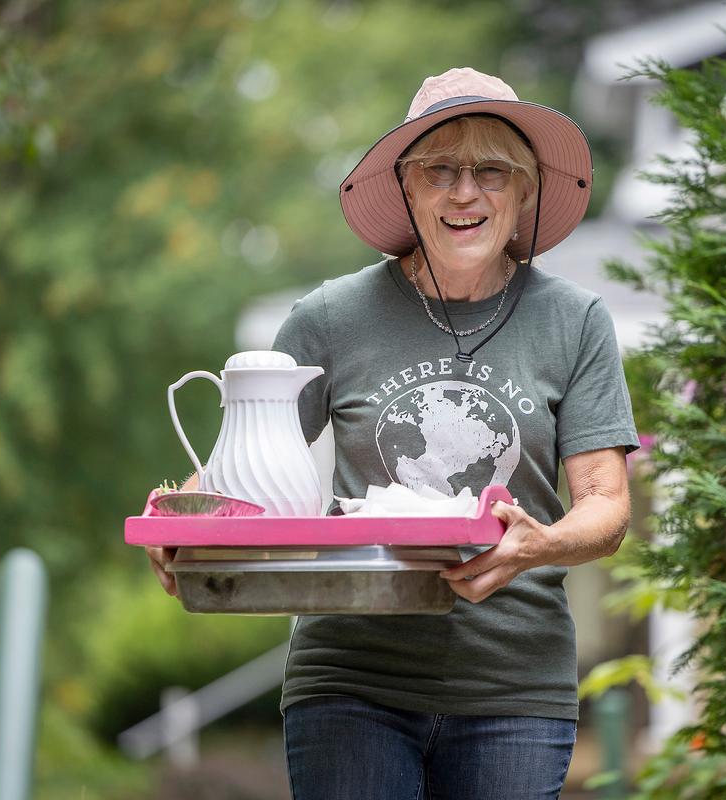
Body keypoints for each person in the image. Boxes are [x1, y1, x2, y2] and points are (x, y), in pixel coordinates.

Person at [148, 67, 638, 799]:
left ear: (527, 190)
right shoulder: (328, 319)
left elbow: (606, 505)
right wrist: (177, 516)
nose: (464, 192)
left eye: (491, 171)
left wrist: (538, 542)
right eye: (438, 169)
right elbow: (239, 465)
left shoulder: (576, 323)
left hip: (514, 687)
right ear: (406, 189)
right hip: (350, 680)